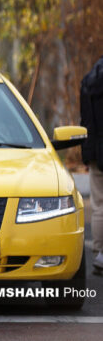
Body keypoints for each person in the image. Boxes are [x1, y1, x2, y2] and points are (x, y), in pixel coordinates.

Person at [81, 56, 103, 273]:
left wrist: (87, 153)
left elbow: (85, 120)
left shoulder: (89, 80)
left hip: (96, 151)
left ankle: (99, 253)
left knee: (98, 205)